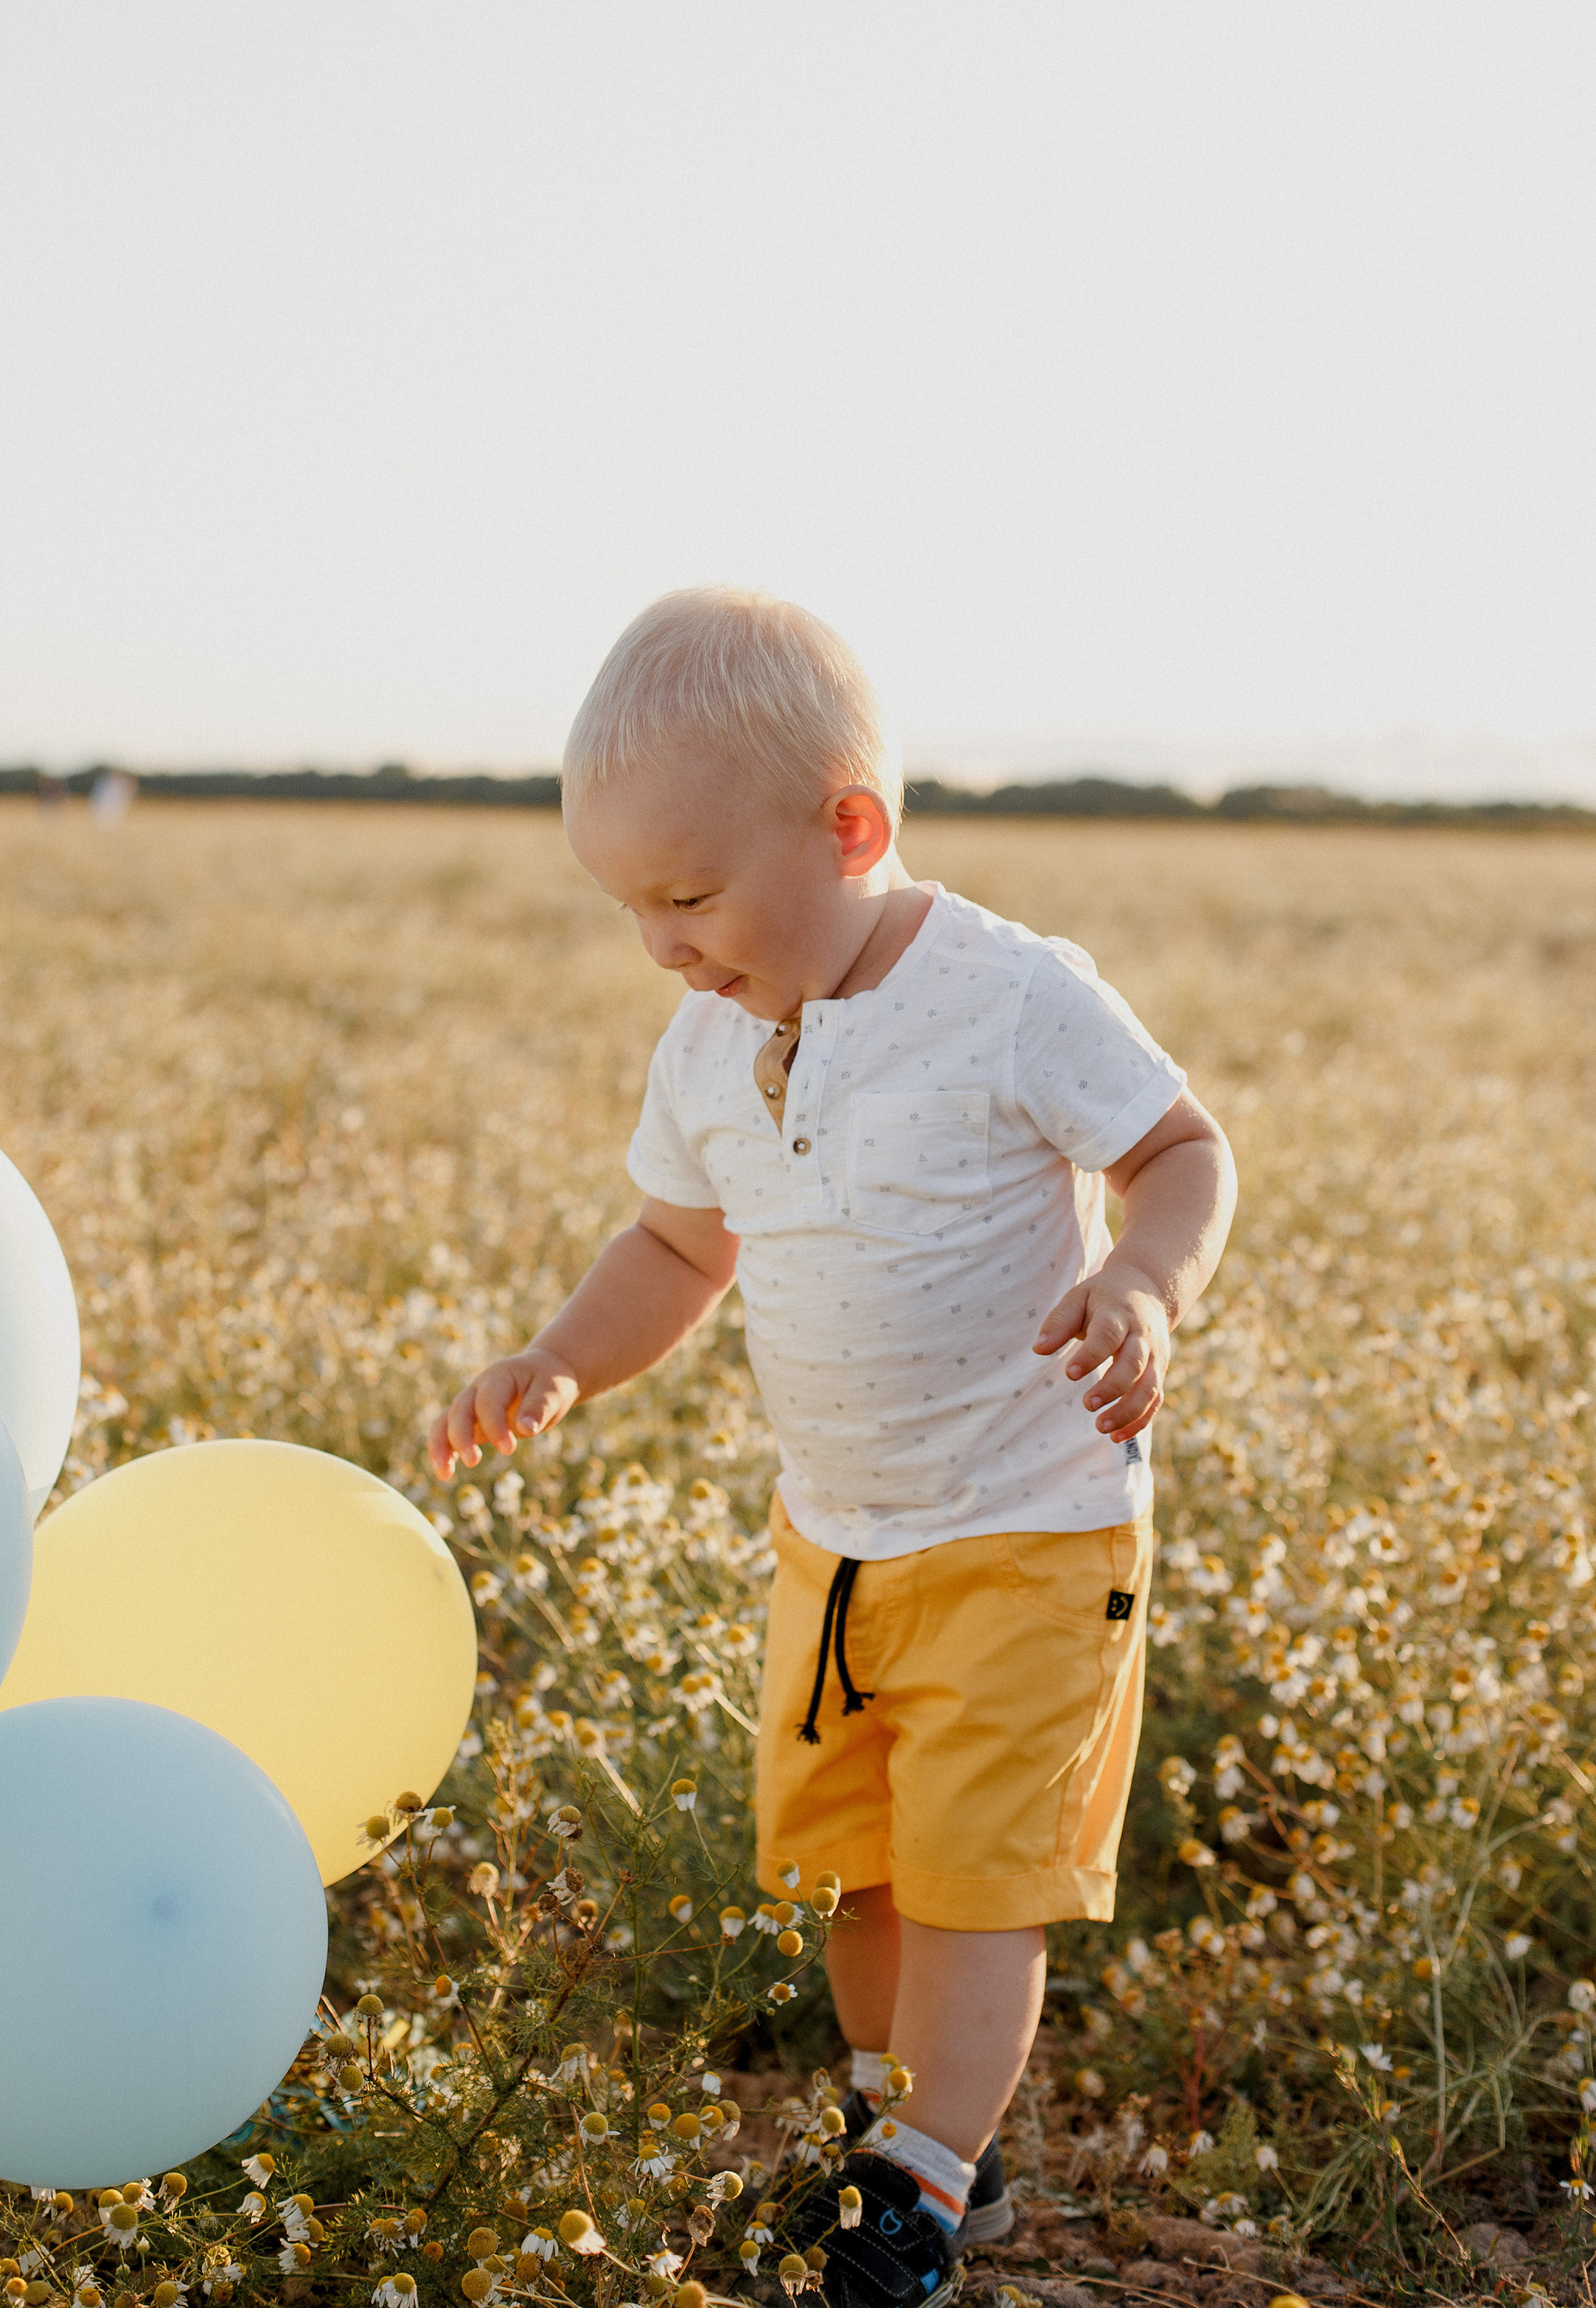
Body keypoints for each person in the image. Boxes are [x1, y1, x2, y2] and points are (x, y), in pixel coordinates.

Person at [429, 588, 1237, 2308]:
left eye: (690, 896)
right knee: (856, 1875)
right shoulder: (709, 1034)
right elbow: (673, 1251)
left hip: (1026, 1531)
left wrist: (1144, 1284)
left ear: (849, 829)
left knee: (969, 1887)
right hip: (838, 1540)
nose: (659, 942)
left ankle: (924, 2192)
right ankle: (915, 2123)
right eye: (629, 907)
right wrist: (561, 1361)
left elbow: (1180, 1148)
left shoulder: (1011, 994)